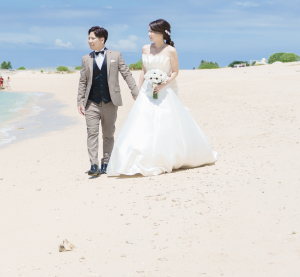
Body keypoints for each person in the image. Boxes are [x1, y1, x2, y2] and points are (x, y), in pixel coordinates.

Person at [106, 19, 217, 177]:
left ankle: (166, 156)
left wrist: (163, 84)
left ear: (161, 33)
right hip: (146, 91)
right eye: (149, 31)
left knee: (165, 122)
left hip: (164, 91)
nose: (149, 34)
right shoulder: (145, 48)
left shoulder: (170, 50)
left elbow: (175, 72)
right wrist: (138, 90)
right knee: (141, 122)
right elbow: (144, 71)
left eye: (152, 31)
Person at [77, 26, 139, 177]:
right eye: (89, 38)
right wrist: (80, 101)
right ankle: (94, 164)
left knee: (108, 134)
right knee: (92, 133)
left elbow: (126, 74)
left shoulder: (116, 55)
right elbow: (83, 82)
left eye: (92, 38)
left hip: (110, 101)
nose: (89, 41)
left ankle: (107, 162)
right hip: (91, 102)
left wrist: (135, 92)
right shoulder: (86, 58)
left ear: (101, 39)